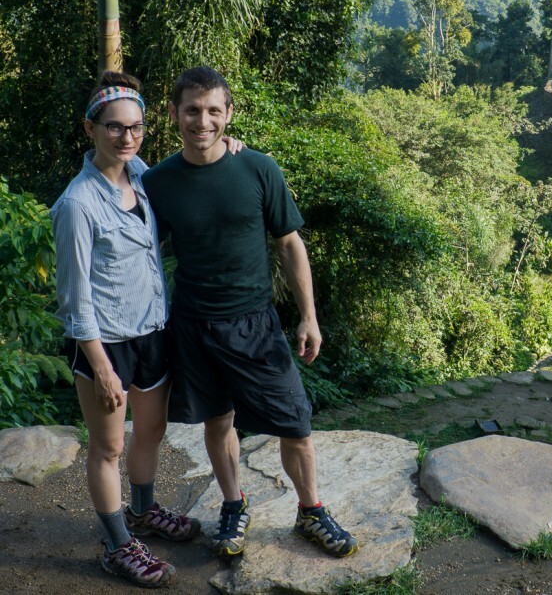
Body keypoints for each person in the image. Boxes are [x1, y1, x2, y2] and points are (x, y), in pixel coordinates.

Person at [142, 66, 358, 559]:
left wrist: (309, 315)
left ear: (229, 114)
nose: (203, 121)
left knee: (295, 424)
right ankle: (234, 506)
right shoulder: (157, 182)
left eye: (214, 110)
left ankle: (311, 511)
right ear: (174, 113)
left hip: (256, 323)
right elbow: (139, 252)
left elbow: (289, 243)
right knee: (218, 424)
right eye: (192, 110)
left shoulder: (258, 168)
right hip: (193, 324)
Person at [51, 71, 200, 588]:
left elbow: (183, 173)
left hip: (152, 330)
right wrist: (101, 368)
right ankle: (117, 545)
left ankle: (142, 512)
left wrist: (228, 145)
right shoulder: (77, 205)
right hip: (105, 343)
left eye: (135, 126)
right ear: (91, 128)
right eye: (114, 127)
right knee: (108, 448)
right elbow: (74, 299)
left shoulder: (139, 173)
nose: (127, 137)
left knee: (152, 430)